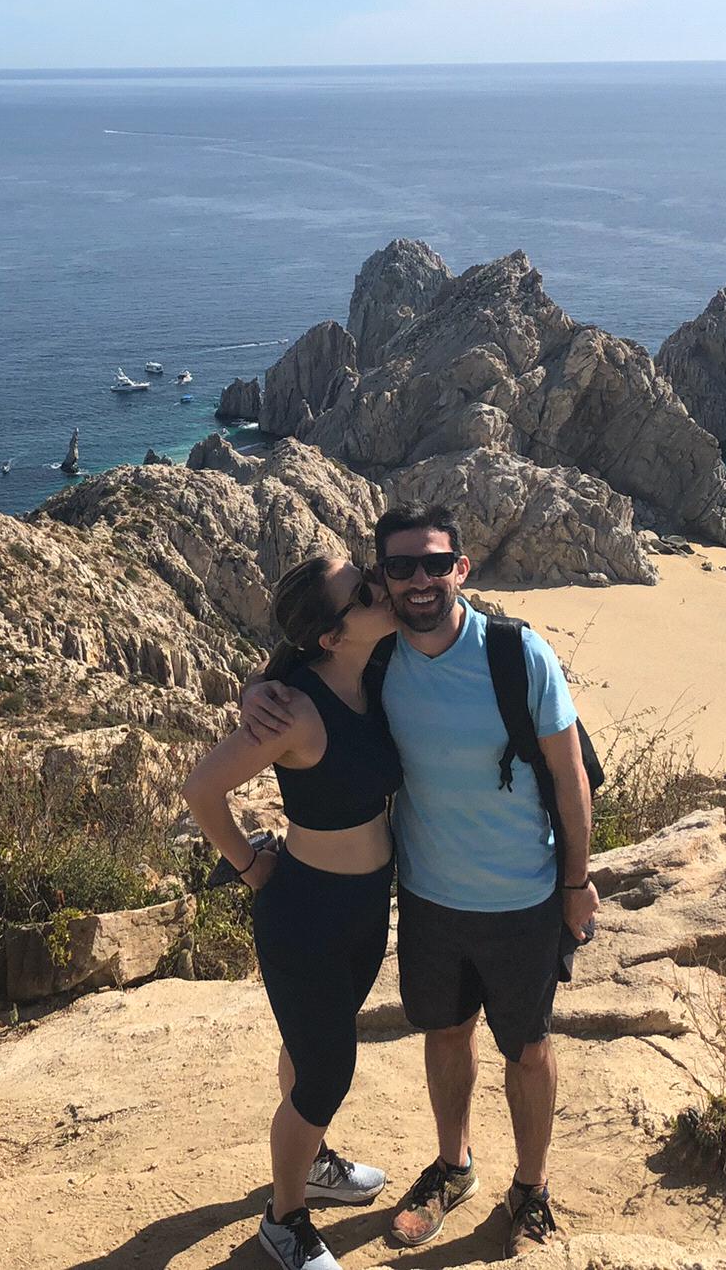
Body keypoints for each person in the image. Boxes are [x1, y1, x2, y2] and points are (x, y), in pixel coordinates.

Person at [243, 506, 599, 1257]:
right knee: (446, 1034)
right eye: (400, 567)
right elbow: (308, 662)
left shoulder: (516, 654)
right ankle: (452, 1166)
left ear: (461, 568)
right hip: (428, 898)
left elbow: (570, 777)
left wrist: (576, 882)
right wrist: (256, 688)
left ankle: (531, 1187)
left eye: (436, 563)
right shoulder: (379, 656)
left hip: (523, 896)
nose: (419, 580)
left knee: (529, 1047)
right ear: (383, 578)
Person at [184, 553, 403, 1270]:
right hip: (306, 913)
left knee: (313, 1046)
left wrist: (256, 681)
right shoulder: (295, 711)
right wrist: (250, 866)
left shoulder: (374, 668)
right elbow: (201, 789)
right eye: (363, 591)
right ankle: (284, 1221)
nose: (379, 588)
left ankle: (312, 1165)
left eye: (367, 574)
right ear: (331, 636)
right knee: (326, 1073)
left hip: (365, 907)